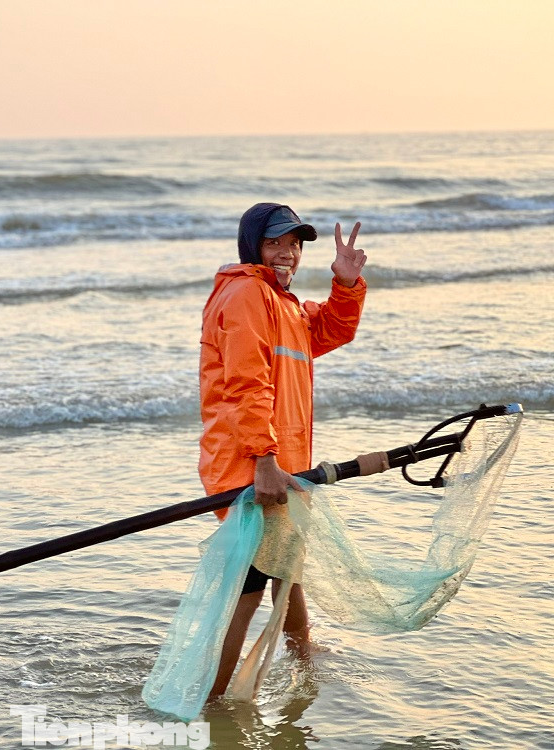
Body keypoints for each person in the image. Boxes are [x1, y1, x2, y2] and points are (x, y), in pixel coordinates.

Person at [198, 203, 367, 698]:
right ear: (252, 246)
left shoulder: (283, 303)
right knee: (251, 587)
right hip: (252, 464)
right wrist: (264, 461)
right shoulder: (248, 295)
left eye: (294, 244)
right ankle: (214, 698)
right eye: (275, 242)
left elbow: (331, 330)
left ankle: (301, 655)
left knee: (287, 566)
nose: (288, 252)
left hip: (280, 461)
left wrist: (346, 285)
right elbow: (245, 383)